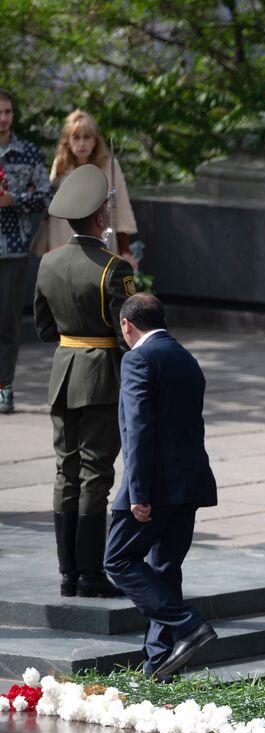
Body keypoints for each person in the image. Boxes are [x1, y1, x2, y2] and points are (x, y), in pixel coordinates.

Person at [104, 294, 219, 679]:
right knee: (163, 569)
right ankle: (160, 662)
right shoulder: (186, 357)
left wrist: (137, 492)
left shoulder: (137, 358)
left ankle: (188, 625)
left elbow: (137, 430)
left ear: (126, 325)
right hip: (189, 484)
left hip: (153, 487)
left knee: (118, 561)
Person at [32, 164, 131, 598]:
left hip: (62, 370)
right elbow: (127, 334)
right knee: (95, 473)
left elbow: (41, 328)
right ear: (99, 217)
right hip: (101, 375)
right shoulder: (114, 269)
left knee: (65, 470)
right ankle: (90, 574)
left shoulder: (48, 263)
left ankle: (68, 573)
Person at [0, 87, 52, 415]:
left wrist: (14, 200)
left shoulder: (28, 152)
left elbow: (46, 196)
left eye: (7, 112)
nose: (2, 118)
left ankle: (4, 387)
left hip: (13, 252)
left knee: (7, 324)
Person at [44, 110, 137, 264]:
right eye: (76, 137)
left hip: (100, 243)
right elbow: (52, 211)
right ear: (68, 140)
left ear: (95, 141)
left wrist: (125, 251)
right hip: (63, 243)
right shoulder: (61, 164)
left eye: (86, 137)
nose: (81, 143)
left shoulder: (109, 166)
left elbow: (121, 208)